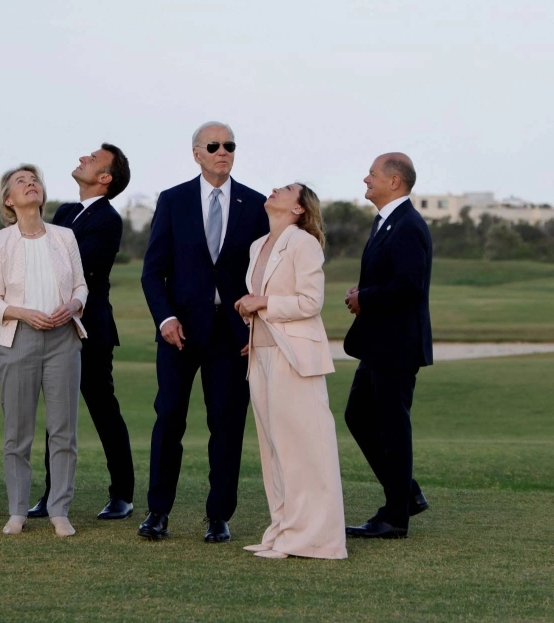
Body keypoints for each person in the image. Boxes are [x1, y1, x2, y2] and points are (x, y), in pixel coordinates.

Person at [139, 121, 269, 542]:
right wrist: (165, 319)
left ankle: (219, 516)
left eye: (229, 145)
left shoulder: (257, 204)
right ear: (196, 153)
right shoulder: (173, 200)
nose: (222, 151)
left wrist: (258, 327)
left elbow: (265, 276)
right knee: (169, 419)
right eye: (213, 145)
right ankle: (158, 512)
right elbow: (152, 271)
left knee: (228, 425)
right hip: (180, 332)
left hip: (233, 335)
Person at [233, 183, 347, 560]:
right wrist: (253, 317)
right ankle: (281, 530)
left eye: (284, 190)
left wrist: (262, 301)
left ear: (299, 208)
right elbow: (267, 302)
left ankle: (311, 540)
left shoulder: (303, 243)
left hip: (295, 358)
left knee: (303, 449)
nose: (274, 190)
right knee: (275, 449)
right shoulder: (258, 244)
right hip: (262, 354)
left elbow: (310, 302)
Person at [29, 144, 135, 521]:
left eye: (92, 159)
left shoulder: (107, 219)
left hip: (90, 328)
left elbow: (79, 270)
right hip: (57, 324)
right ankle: (51, 494)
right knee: (56, 414)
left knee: (103, 409)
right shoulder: (66, 212)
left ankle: (122, 493)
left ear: (105, 179)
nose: (82, 159)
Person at [0, 165, 88, 537]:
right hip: (18, 339)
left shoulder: (65, 236)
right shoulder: (0, 241)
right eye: (21, 182)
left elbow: (81, 287)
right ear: (9, 200)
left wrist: (73, 306)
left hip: (64, 340)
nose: (31, 184)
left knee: (63, 431)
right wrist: (22, 312)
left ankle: (60, 510)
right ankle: (17, 511)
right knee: (17, 431)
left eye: (35, 180)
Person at [343, 152, 433, 539]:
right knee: (358, 416)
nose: (366, 179)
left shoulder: (408, 225)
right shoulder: (386, 222)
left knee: (393, 428)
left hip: (397, 346)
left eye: (373, 174)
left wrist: (366, 297)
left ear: (394, 181)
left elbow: (410, 284)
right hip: (378, 344)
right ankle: (406, 492)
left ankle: (396, 516)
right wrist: (365, 294)